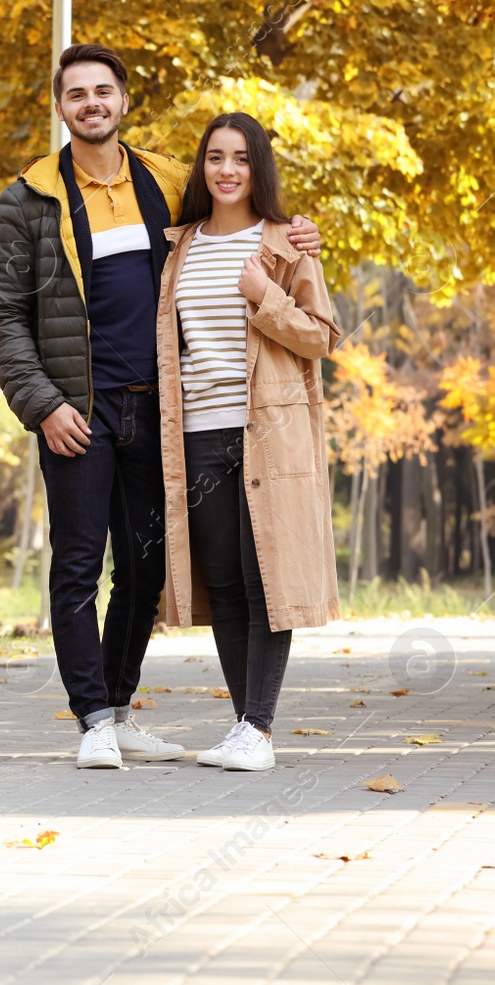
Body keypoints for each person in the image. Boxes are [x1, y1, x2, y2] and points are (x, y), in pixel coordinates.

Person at [0, 43, 323, 770]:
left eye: (103, 90)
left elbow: (233, 229)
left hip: (161, 413)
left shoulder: (167, 182)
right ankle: (92, 719)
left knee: (145, 568)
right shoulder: (29, 198)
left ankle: (120, 705)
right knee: (78, 565)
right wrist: (42, 404)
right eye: (77, 94)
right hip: (76, 410)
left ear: (124, 100)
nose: (91, 103)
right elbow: (2, 316)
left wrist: (297, 233)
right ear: (61, 105)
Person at [155, 112, 342, 771]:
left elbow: (321, 336)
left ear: (257, 167)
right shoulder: (178, 245)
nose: (226, 169)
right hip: (199, 435)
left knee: (269, 581)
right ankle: (244, 726)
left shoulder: (286, 244)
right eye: (214, 157)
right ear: (202, 167)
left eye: (239, 158)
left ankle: (258, 729)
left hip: (269, 433)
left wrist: (266, 295)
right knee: (227, 584)